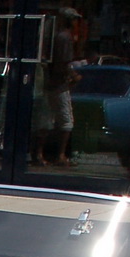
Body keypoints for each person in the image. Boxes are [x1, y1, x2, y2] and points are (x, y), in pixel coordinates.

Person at [41, 8, 80, 167]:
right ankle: (60, 154)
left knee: (50, 120)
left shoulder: (58, 37)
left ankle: (45, 153)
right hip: (59, 84)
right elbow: (62, 64)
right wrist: (73, 75)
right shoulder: (64, 38)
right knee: (66, 121)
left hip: (54, 83)